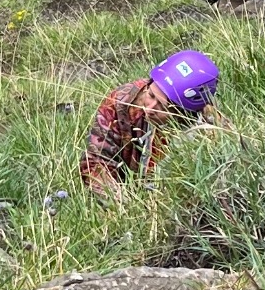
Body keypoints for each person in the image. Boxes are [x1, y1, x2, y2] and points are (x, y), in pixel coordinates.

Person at [81, 50, 222, 190]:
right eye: (151, 95)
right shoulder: (122, 102)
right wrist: (121, 204)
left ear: (184, 111)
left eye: (162, 106)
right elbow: (95, 162)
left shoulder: (213, 134)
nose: (149, 109)